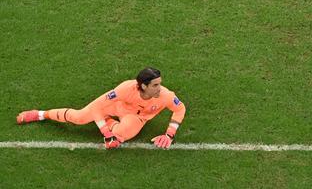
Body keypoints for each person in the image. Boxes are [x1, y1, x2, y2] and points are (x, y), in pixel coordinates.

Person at [16, 67, 185, 150]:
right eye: (155, 85)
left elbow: (180, 109)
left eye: (160, 84)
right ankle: (41, 114)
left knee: (121, 136)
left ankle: (110, 124)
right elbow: (98, 106)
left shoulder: (166, 95)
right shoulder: (126, 89)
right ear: (143, 86)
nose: (159, 88)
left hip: (136, 117)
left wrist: (169, 134)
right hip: (115, 106)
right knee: (79, 118)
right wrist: (105, 131)